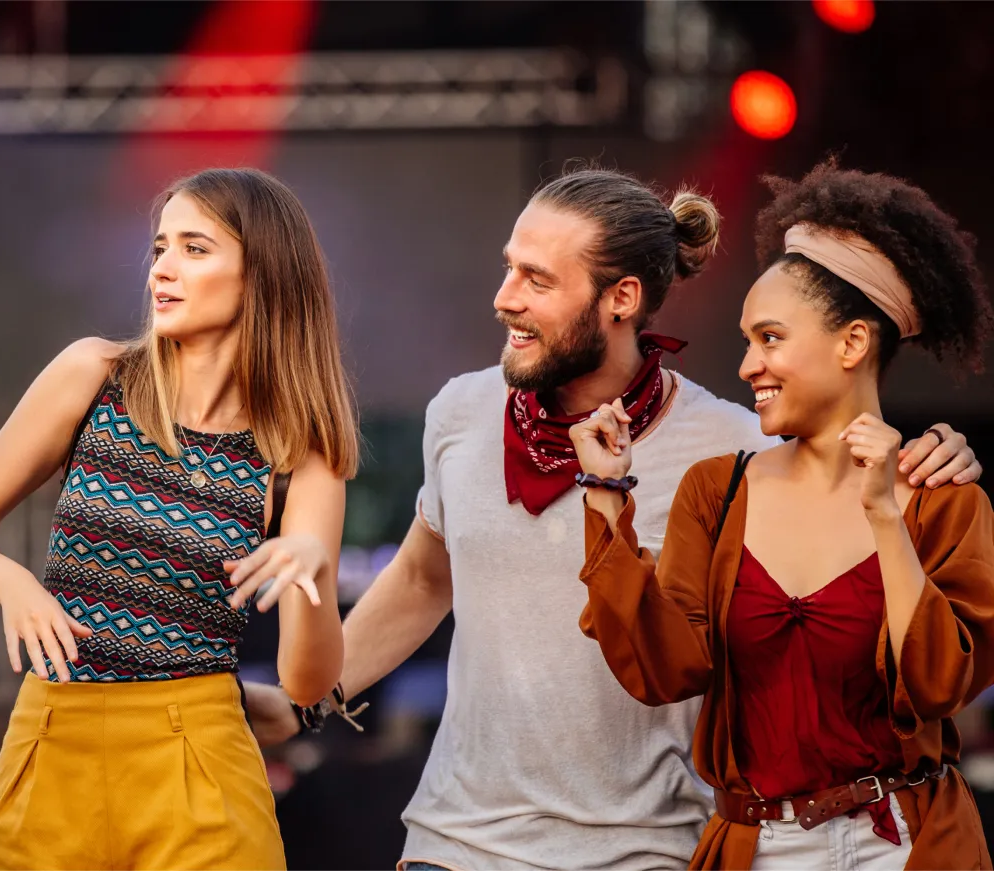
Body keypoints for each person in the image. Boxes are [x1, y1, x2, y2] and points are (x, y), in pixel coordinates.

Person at [243, 166, 983, 870]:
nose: (504, 297)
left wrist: (932, 461)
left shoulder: (734, 450)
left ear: (622, 298)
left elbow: (844, 508)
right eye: (509, 268)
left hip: (649, 847)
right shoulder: (460, 412)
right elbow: (420, 580)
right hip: (456, 838)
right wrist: (308, 703)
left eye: (537, 279)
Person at [0, 167, 359, 869]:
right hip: (52, 741)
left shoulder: (300, 453)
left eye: (194, 249)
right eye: (160, 248)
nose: (162, 269)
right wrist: (12, 584)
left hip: (200, 758)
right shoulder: (95, 375)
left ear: (263, 274)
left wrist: (315, 577)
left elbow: (306, 686)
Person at [570, 161, 994, 869]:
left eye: (769, 338)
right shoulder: (717, 491)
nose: (747, 365)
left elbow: (938, 686)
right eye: (748, 341)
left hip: (905, 843)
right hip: (759, 847)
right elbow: (664, 672)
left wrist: (884, 514)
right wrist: (606, 496)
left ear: (851, 343)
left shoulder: (943, 499)